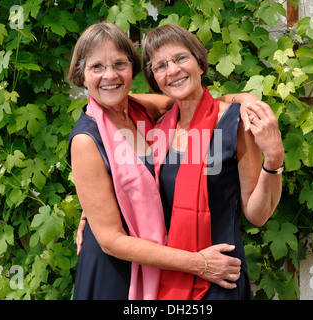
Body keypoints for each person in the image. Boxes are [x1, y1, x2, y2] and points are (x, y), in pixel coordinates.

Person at [68, 22, 260, 300]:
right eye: (96, 67)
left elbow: (191, 99)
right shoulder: (86, 139)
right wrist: (199, 264)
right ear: (81, 76)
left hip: (160, 263)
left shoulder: (139, 109)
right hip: (118, 272)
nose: (109, 75)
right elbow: (111, 240)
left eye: (119, 64)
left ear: (132, 70)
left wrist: (241, 99)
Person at [141, 24, 284, 300]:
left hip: (221, 278)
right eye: (160, 66)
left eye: (181, 58)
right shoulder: (159, 128)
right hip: (167, 277)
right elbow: (110, 101)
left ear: (200, 62)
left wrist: (274, 159)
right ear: (154, 78)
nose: (173, 70)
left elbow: (257, 215)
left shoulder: (234, 122)